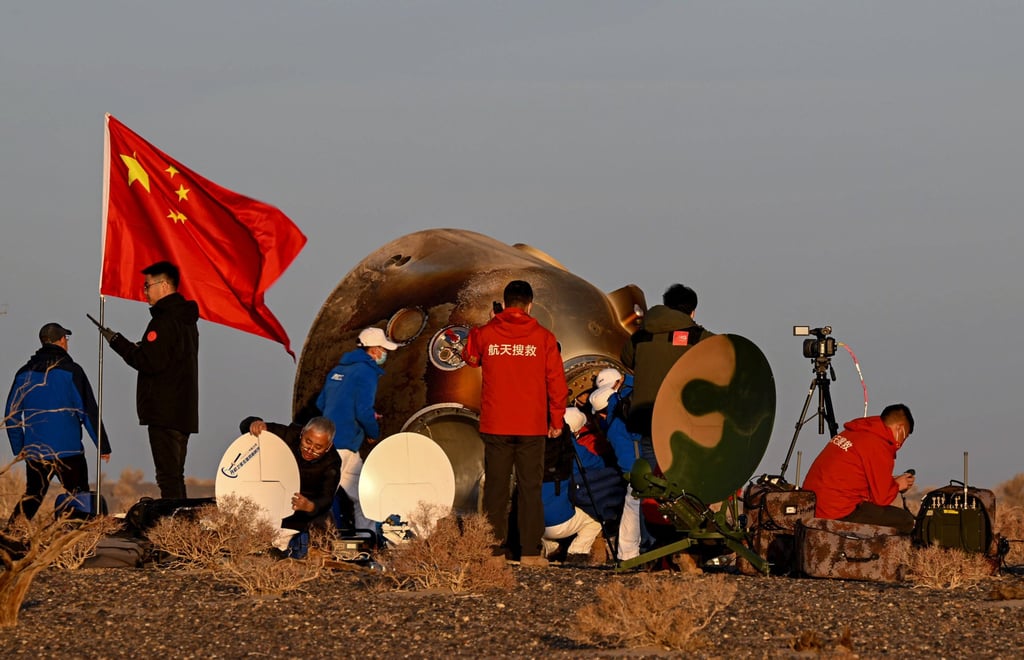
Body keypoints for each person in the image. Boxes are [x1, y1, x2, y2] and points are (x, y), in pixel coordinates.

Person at [462, 280, 568, 568]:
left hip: (496, 423)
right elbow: (556, 382)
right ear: (530, 305)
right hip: (532, 425)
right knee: (530, 488)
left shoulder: (487, 333)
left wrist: (490, 322)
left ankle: (493, 552)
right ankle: (530, 552)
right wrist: (556, 419)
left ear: (506, 303)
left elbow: (470, 357)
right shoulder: (544, 338)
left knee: (496, 488)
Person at [101, 261, 199, 499]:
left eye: (147, 286)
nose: (144, 292)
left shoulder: (164, 320)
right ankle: (179, 517)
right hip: (182, 409)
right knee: (175, 474)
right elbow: (166, 356)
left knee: (168, 476)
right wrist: (141, 347)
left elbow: (149, 362)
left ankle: (175, 519)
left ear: (164, 285)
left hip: (164, 410)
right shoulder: (186, 320)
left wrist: (118, 343)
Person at [5, 323, 111, 521]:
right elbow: (88, 411)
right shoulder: (72, 372)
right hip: (69, 451)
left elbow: (11, 415)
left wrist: (20, 447)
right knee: (78, 497)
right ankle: (75, 533)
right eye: (66, 339)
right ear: (62, 341)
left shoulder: (23, 374)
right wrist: (102, 445)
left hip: (36, 451)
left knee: (33, 496)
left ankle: (13, 532)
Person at [317, 326, 398, 533]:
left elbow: (321, 403)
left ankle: (366, 538)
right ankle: (293, 540)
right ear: (374, 350)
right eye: (383, 349)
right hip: (343, 444)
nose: (385, 353)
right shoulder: (366, 372)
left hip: (334, 443)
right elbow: (363, 411)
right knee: (321, 499)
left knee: (364, 496)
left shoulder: (337, 370)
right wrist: (373, 432)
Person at [801, 403, 917, 534]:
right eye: (905, 436)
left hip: (813, 505)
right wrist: (898, 485)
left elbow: (858, 478)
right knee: (905, 520)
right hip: (836, 512)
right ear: (900, 428)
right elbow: (881, 499)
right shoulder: (879, 445)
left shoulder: (855, 432)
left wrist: (890, 482)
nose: (902, 441)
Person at [240, 415, 341, 559]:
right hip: (276, 506)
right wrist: (254, 424)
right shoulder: (289, 434)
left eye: (318, 447)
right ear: (302, 433)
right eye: (307, 442)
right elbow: (245, 426)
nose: (310, 450)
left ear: (328, 446)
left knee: (322, 524)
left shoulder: (332, 462)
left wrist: (310, 506)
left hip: (306, 512)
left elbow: (326, 498)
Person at [620, 283, 708, 436]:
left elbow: (626, 359)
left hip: (643, 417)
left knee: (648, 449)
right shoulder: (699, 338)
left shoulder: (640, 336)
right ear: (692, 312)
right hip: (679, 419)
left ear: (666, 305)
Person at [591, 385, 647, 561]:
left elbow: (626, 461)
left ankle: (627, 555)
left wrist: (630, 477)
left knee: (632, 507)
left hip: (639, 472)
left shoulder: (614, 427)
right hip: (654, 462)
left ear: (601, 414)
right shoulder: (628, 403)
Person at [541, 408, 603, 564]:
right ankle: (578, 552)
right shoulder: (571, 450)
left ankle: (549, 547)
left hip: (531, 522)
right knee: (596, 517)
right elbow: (598, 465)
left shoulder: (538, 445)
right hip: (557, 524)